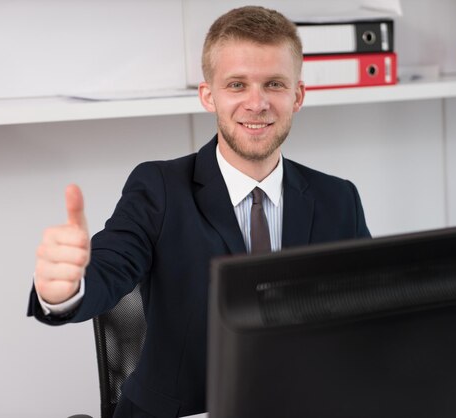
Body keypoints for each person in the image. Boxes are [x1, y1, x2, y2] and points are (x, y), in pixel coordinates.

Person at [28, 5, 370, 418]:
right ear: (209, 96)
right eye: (237, 84)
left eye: (274, 84)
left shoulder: (338, 199)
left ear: (297, 96)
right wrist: (65, 289)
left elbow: (371, 313)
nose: (257, 103)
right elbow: (109, 267)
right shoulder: (159, 189)